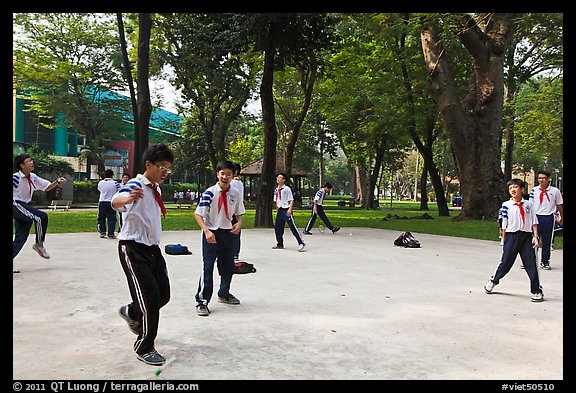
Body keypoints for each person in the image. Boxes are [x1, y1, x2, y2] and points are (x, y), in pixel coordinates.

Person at [112, 144, 174, 366]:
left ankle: (130, 310)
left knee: (163, 295)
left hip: (152, 249)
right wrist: (127, 199)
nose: (165, 172)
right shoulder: (136, 184)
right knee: (149, 301)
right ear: (148, 165)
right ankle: (144, 346)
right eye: (162, 168)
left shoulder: (155, 188)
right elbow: (116, 201)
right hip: (133, 248)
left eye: (168, 169)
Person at [194, 160, 246, 317]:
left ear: (233, 176)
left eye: (228, 174)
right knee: (208, 267)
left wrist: (239, 223)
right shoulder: (210, 193)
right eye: (222, 173)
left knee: (228, 266)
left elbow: (239, 212)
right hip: (212, 234)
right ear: (217, 174)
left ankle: (224, 294)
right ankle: (202, 301)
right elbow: (198, 214)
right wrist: (207, 231)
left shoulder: (235, 193)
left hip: (227, 233)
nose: (225, 176)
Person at [484, 179, 544, 302]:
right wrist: (504, 239)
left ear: (522, 189)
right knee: (506, 262)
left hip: (526, 237)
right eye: (511, 188)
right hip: (511, 236)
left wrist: (536, 237)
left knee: (531, 264)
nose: (513, 190)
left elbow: (534, 222)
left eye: (515, 187)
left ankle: (537, 290)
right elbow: (503, 223)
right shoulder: (506, 205)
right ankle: (493, 281)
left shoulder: (529, 204)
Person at [12, 154, 67, 272]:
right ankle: (39, 244)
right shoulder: (15, 178)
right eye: (28, 161)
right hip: (15, 204)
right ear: (22, 165)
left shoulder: (32, 177)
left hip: (24, 206)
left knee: (20, 238)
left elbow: (46, 187)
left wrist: (57, 182)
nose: (32, 163)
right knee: (41, 216)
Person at [529, 170, 563, 270]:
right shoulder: (534, 190)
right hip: (536, 216)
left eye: (543, 178)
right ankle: (530, 260)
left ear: (548, 179)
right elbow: (530, 205)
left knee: (547, 240)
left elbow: (559, 205)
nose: (541, 180)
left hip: (548, 217)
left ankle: (545, 261)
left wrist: (561, 217)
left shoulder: (555, 191)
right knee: (533, 239)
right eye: (539, 178)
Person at [272, 172, 306, 252]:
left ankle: (301, 242)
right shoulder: (276, 189)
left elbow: (291, 200)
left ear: (284, 180)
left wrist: (290, 209)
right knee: (278, 227)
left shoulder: (287, 189)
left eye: (280, 177)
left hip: (286, 209)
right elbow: (277, 201)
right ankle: (279, 243)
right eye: (277, 177)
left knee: (292, 226)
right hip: (280, 210)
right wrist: (277, 210)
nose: (278, 179)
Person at [97, 169, 120, 239]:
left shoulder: (101, 183)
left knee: (101, 217)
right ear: (112, 175)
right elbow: (119, 190)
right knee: (112, 218)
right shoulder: (115, 183)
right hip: (111, 202)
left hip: (102, 201)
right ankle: (111, 233)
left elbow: (99, 190)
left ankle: (102, 232)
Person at [230, 162, 245, 261]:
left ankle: (232, 253)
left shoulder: (232, 183)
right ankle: (235, 254)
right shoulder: (240, 183)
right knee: (236, 233)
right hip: (238, 210)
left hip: (231, 210)